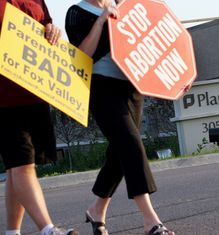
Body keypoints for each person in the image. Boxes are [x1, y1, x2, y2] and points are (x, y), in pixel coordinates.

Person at [65, 0, 176, 234]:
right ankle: (151, 221)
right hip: (101, 88)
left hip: (132, 86)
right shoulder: (76, 13)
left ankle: (96, 210)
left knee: (119, 153)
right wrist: (101, 20)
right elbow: (82, 56)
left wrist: (174, 78)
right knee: (131, 146)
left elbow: (151, 41)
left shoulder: (126, 6)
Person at [0, 1, 79, 235]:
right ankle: (48, 229)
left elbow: (45, 24)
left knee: (15, 168)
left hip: (33, 92)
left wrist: (51, 29)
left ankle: (12, 232)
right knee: (23, 164)